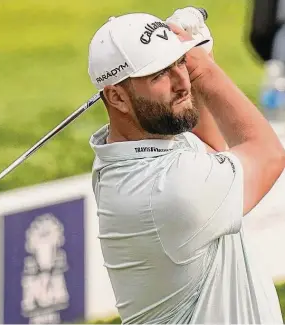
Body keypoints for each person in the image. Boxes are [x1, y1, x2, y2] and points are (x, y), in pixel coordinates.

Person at [87, 8, 285, 324]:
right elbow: (268, 154)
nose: (183, 82)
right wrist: (203, 68)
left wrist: (194, 57)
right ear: (117, 97)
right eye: (159, 74)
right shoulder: (167, 191)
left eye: (180, 63)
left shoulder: (139, 147)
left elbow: (211, 149)